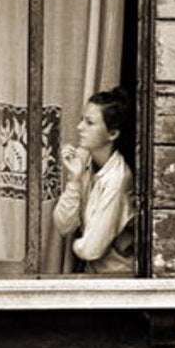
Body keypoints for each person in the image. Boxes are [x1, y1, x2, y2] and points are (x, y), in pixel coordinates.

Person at [52, 87, 136, 274]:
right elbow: (63, 224)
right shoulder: (85, 161)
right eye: (82, 119)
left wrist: (79, 245)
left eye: (89, 123)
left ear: (112, 134)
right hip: (93, 276)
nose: (79, 127)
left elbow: (91, 249)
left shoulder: (118, 178)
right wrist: (73, 180)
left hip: (117, 280)